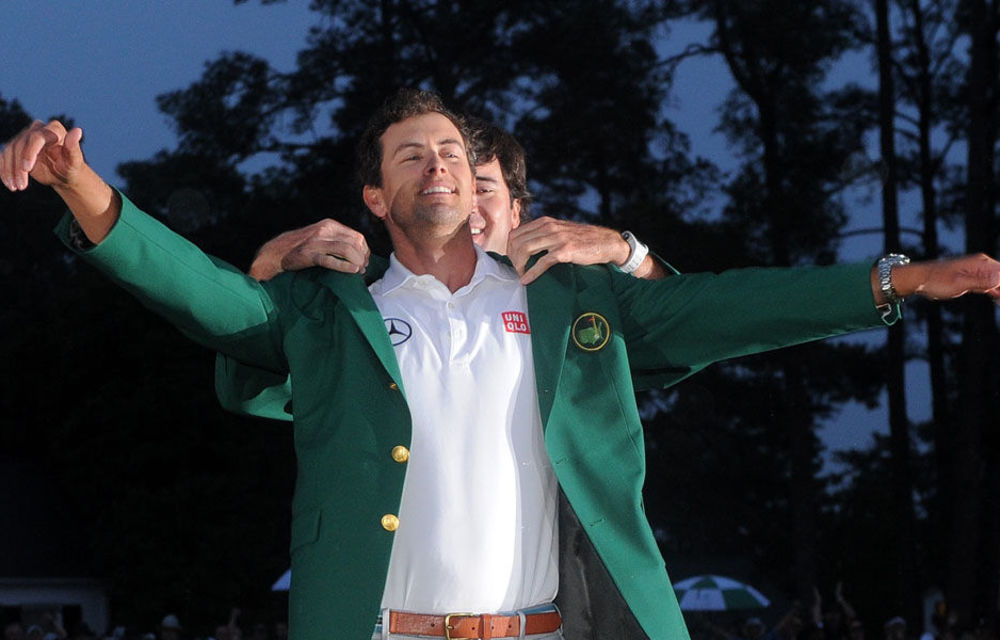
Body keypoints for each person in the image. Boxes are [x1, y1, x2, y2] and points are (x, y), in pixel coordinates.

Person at [2, 89, 999, 640]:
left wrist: (901, 281)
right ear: (376, 200)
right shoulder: (327, 313)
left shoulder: (576, 303)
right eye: (412, 156)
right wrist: (81, 183)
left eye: (457, 155)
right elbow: (199, 292)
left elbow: (722, 307)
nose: (442, 170)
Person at [244, 118, 671, 283]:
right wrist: (270, 263)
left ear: (517, 210)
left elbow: (685, 327)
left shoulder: (573, 295)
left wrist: (626, 253)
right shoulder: (362, 303)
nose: (465, 207)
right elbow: (256, 386)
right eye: (446, 190)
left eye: (482, 188)